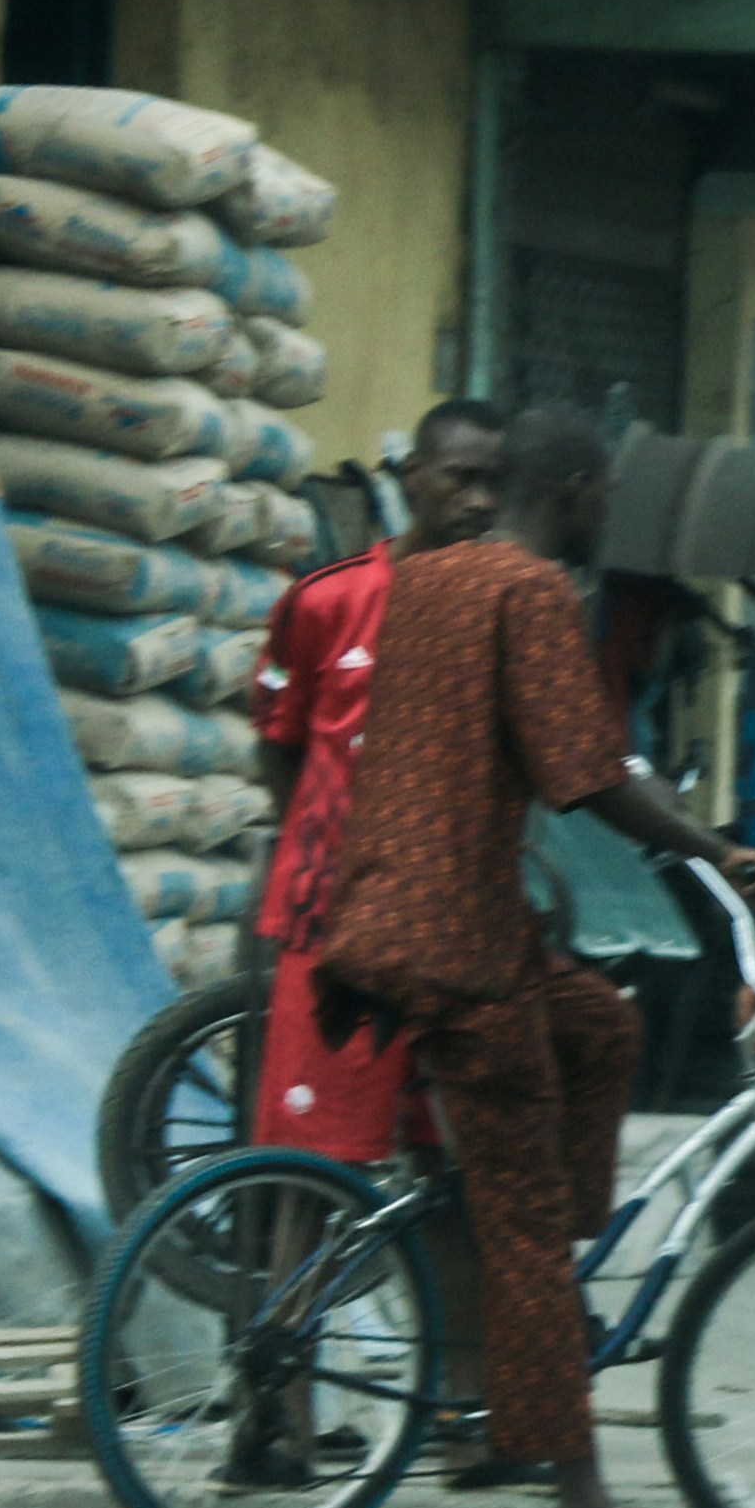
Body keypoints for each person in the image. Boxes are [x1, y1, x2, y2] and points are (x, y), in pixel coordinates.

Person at [294, 413, 755, 1508]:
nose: (605, 515)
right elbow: (587, 777)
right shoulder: (527, 592)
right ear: (570, 490)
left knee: (605, 1025)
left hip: (407, 915)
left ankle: (542, 1330)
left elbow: (498, 754)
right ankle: (581, 1507)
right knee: (521, 1231)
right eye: (602, 496)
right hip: (458, 949)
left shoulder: (421, 580)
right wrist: (722, 855)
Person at [242, 399, 509, 1171]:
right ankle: (293, 1294)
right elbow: (278, 742)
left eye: (494, 484)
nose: (480, 502)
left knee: (450, 1161)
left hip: (456, 923)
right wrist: (326, 846)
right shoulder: (327, 600)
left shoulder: (506, 609)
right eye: (461, 480)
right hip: (338, 918)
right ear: (411, 476)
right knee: (317, 1157)